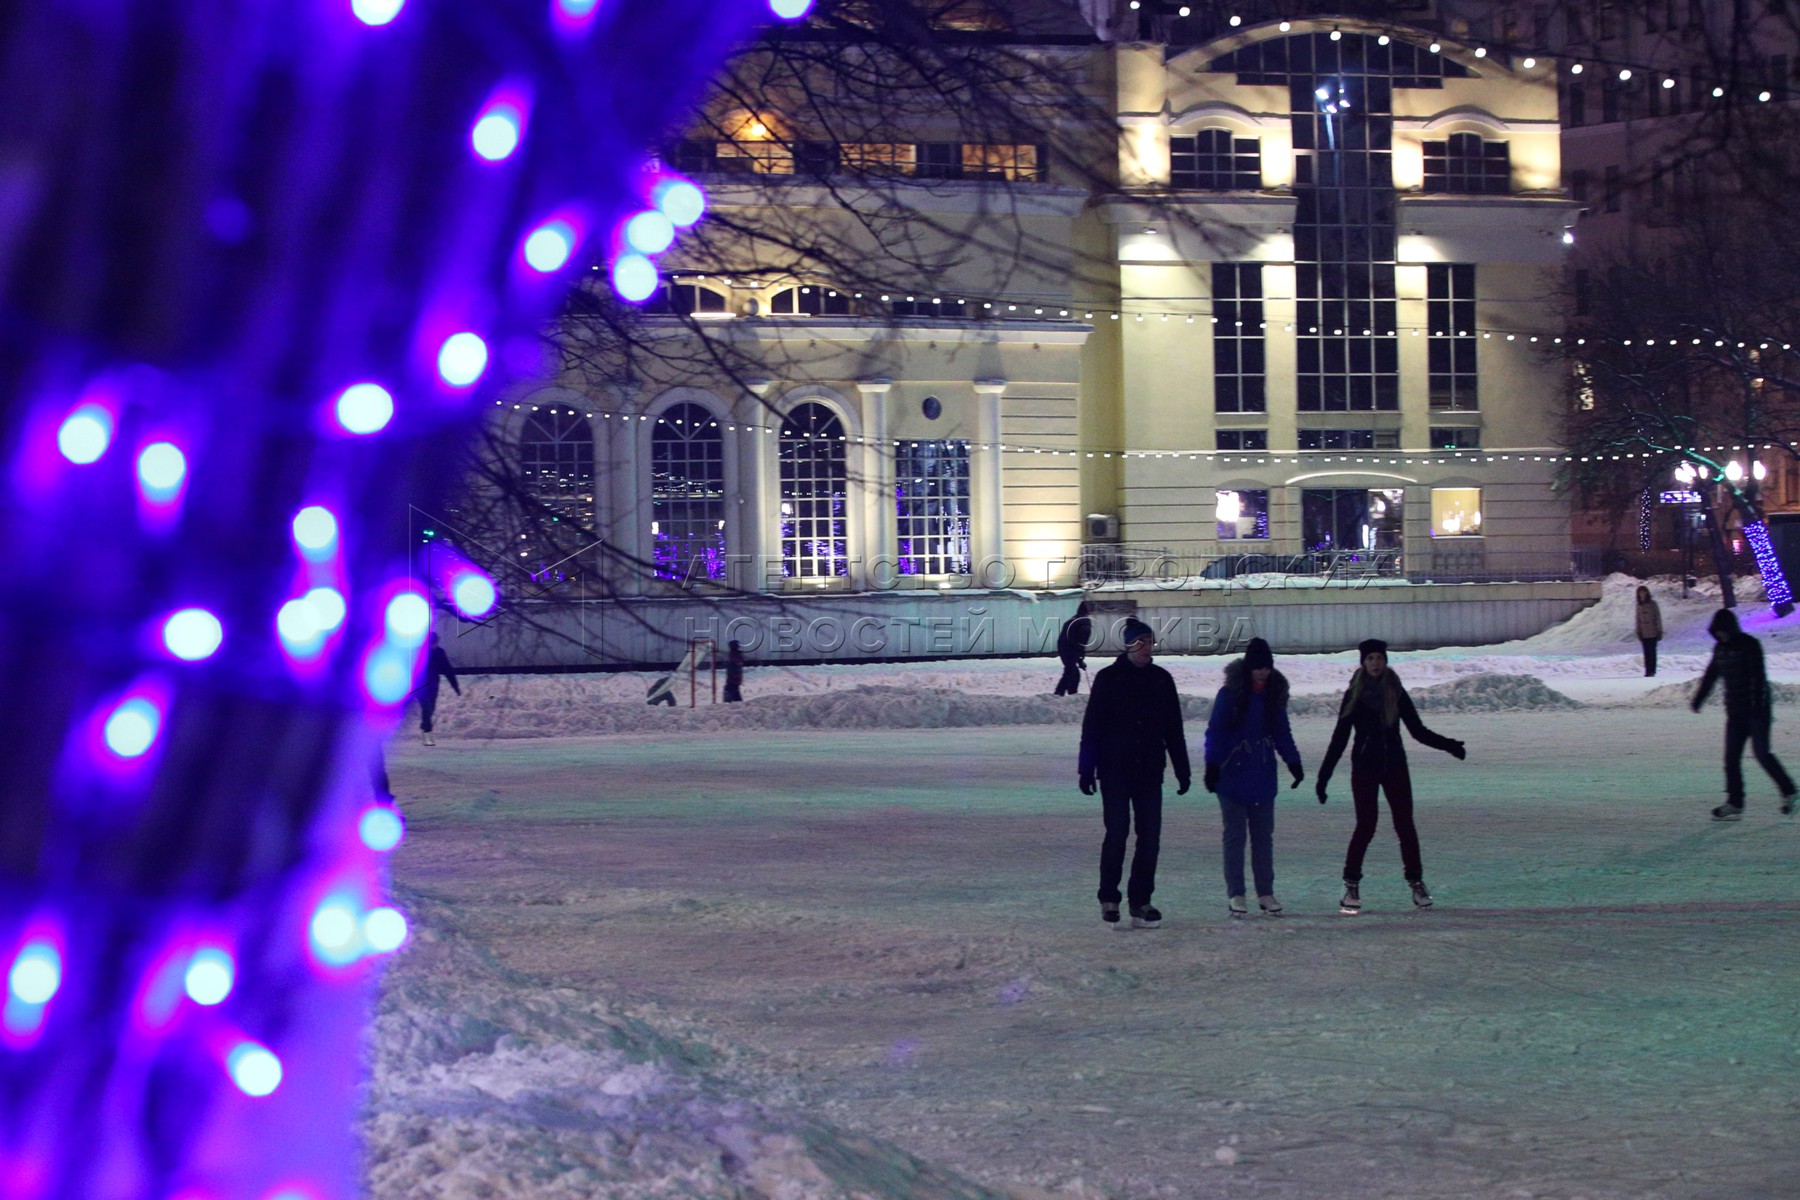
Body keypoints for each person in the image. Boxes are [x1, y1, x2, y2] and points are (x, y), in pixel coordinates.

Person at [1315, 639, 1467, 913]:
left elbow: (1417, 731)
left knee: (1405, 825)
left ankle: (1416, 883)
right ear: (1363, 662)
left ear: (1385, 661)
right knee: (1366, 825)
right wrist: (1323, 777)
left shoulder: (1395, 691)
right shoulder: (1355, 694)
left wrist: (1450, 745)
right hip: (1365, 767)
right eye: (1370, 658)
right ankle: (1350, 884)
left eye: (1379, 658)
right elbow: (1339, 738)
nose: (1375, 663)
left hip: (1395, 765)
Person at [1078, 618, 1191, 929]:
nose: (1146, 648)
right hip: (1114, 771)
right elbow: (1093, 728)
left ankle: (1141, 901)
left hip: (1149, 771)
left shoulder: (1161, 680)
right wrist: (1086, 770)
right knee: (1117, 833)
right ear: (1127, 645)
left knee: (1149, 837)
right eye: (1140, 642)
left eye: (1150, 642)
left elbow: (1174, 730)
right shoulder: (1108, 679)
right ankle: (1109, 898)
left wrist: (1183, 770)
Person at [1202, 638, 1304, 918]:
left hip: (1261, 776)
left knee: (1263, 838)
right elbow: (1216, 732)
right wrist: (1211, 765)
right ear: (1248, 668)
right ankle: (1236, 893)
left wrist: (1293, 761)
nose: (1262, 672)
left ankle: (1265, 892)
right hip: (1232, 776)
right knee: (1234, 838)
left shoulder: (1274, 696)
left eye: (1266, 667)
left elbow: (1282, 732)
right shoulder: (1230, 694)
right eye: (1257, 667)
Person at [1691, 608, 1796, 820]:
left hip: (1757, 711)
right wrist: (1699, 698)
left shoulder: (1749, 645)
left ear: (1730, 628)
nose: (1720, 635)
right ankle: (1735, 802)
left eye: (1723, 631)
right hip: (1736, 713)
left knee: (1762, 754)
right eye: (1717, 632)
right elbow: (1711, 675)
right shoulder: (1720, 649)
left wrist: (1757, 708)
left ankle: (1789, 790)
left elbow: (1758, 678)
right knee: (1731, 758)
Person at [418, 632, 460, 746]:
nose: (434, 645)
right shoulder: (420, 653)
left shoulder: (440, 653)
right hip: (420, 686)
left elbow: (447, 670)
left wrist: (455, 686)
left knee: (431, 708)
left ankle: (424, 726)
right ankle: (427, 733)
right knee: (426, 708)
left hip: (433, 685)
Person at [1054, 602, 1093, 696]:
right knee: (1071, 671)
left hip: (1063, 648)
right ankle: (1063, 693)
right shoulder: (1085, 622)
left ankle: (1067, 692)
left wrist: (1079, 659)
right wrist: (1080, 658)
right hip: (1071, 649)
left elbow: (1063, 638)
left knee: (1072, 671)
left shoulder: (1071, 620)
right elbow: (1082, 642)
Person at [1635, 584, 1664, 678]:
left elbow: (1657, 618)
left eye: (1643, 592)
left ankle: (1652, 670)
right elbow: (1637, 619)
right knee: (1646, 653)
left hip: (1653, 632)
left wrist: (1659, 630)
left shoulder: (1653, 604)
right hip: (1644, 633)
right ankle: (1648, 670)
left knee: (1652, 652)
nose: (1642, 595)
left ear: (1647, 593)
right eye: (1640, 593)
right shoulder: (1639, 606)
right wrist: (1638, 631)